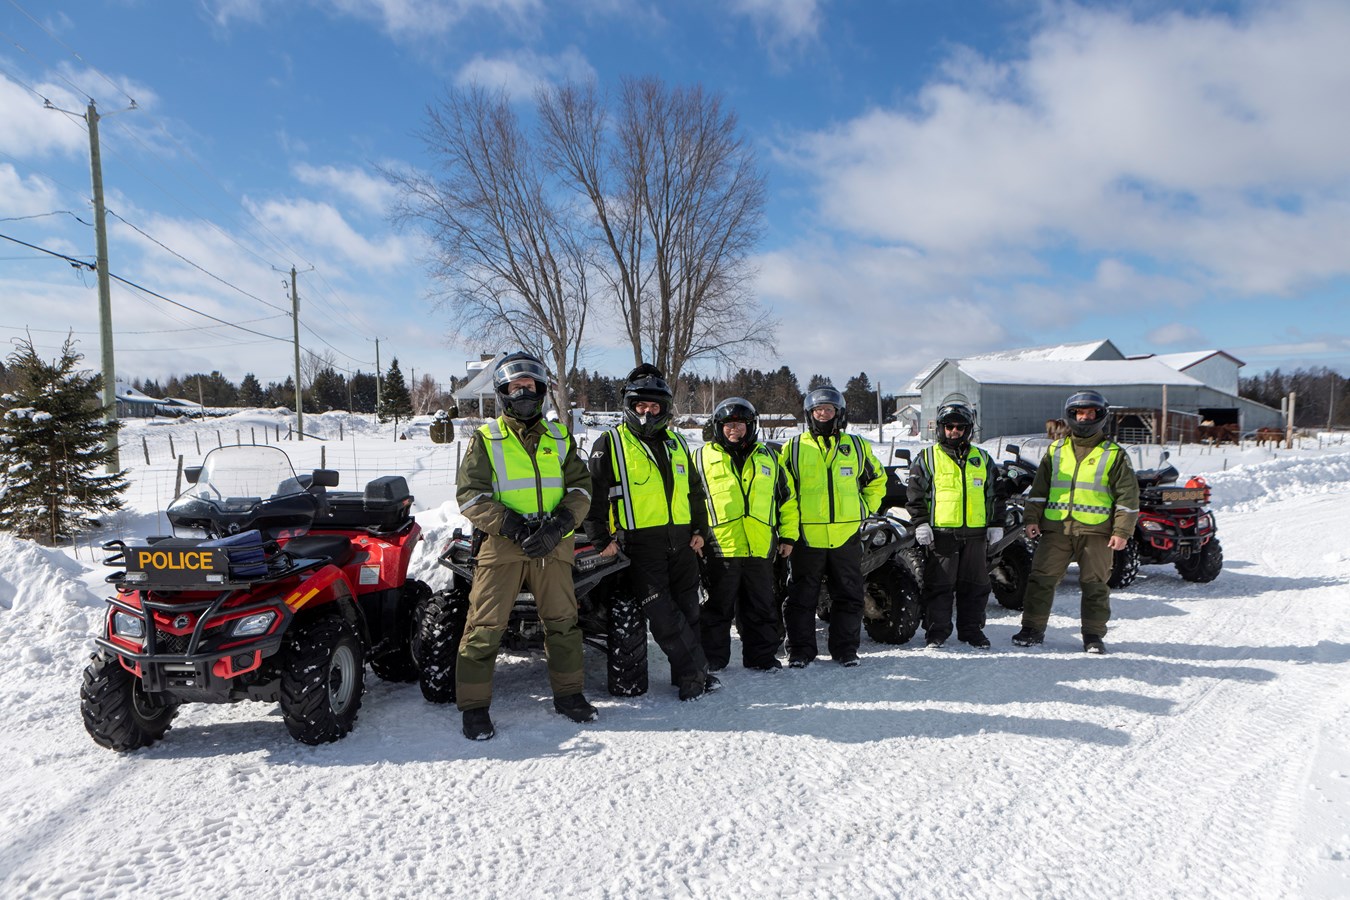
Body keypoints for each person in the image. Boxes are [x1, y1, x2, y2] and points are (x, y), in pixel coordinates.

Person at [453, 352, 597, 740]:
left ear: (541, 391)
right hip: (502, 547)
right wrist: (513, 526)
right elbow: (470, 496)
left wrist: (563, 523)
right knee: (484, 627)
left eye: (529, 386)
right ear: (503, 392)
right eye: (515, 387)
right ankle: (474, 707)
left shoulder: (560, 438)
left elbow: (581, 488)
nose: (523, 393)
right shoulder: (486, 439)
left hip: (553, 545)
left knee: (563, 624)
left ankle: (569, 695)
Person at [583, 364, 719, 701]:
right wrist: (600, 538)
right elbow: (594, 495)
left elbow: (695, 491)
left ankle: (686, 678)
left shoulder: (675, 442)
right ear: (630, 406)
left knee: (688, 610)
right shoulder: (610, 442)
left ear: (665, 408)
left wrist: (701, 529)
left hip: (683, 540)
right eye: (641, 405)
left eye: (654, 406)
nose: (647, 412)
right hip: (640, 545)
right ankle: (697, 671)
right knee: (663, 615)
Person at [1013, 389, 1140, 653]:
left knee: (1095, 586)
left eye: (1090, 413)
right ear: (1071, 416)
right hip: (1056, 530)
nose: (1084, 418)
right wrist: (1031, 518)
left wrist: (1122, 531)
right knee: (1040, 580)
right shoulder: (1056, 450)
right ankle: (1032, 629)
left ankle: (1093, 636)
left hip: (1097, 532)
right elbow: (1039, 490)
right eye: (1079, 413)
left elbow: (1128, 497)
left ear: (1100, 416)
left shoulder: (1114, 454)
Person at [781, 386, 887, 667]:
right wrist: (790, 531)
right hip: (807, 538)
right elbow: (784, 494)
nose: (824, 415)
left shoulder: (856, 446)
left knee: (849, 596)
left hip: (846, 536)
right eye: (818, 410)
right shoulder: (792, 449)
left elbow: (877, 480)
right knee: (802, 598)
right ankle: (801, 651)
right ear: (809, 414)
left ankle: (845, 650)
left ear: (839, 414)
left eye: (829, 410)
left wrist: (863, 508)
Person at [694, 397, 799, 672]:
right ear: (718, 427)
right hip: (719, 547)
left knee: (761, 607)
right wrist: (694, 534)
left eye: (739, 425)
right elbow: (687, 500)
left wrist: (788, 537)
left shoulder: (770, 458)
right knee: (717, 608)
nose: (734, 430)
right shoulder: (699, 458)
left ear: (750, 426)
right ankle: (713, 659)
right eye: (728, 425)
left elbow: (787, 501)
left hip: (759, 548)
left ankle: (761, 658)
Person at [906, 399, 1005, 649]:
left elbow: (995, 494)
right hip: (942, 535)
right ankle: (936, 632)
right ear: (940, 428)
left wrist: (996, 523)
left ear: (968, 430)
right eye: (949, 426)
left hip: (975, 534)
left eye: (960, 427)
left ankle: (971, 630)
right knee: (939, 585)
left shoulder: (982, 458)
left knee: (976, 586)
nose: (954, 431)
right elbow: (916, 494)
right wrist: (920, 523)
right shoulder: (927, 458)